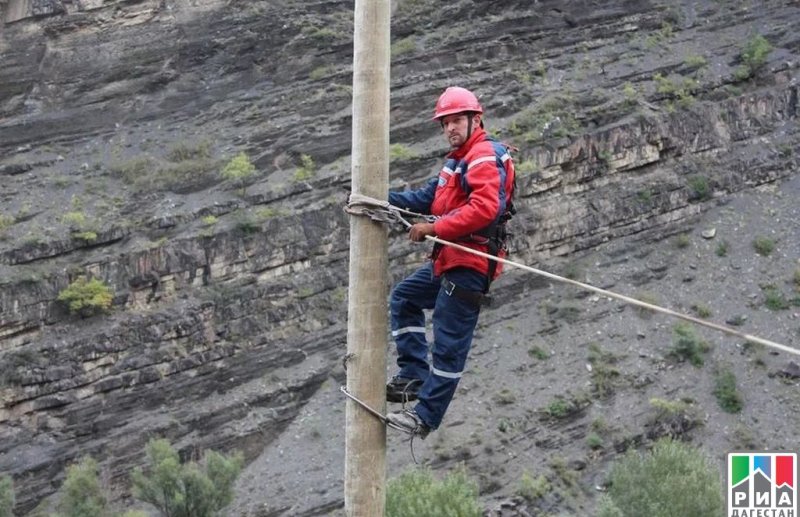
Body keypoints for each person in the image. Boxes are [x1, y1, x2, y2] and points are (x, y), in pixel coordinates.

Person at [384, 86, 516, 438]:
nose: (450, 128)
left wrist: (434, 227)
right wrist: (382, 199)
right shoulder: (457, 161)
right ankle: (413, 373)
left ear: (476, 119)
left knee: (447, 343)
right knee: (405, 298)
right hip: (449, 259)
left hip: (471, 264)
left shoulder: (484, 155)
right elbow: (427, 198)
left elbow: (486, 208)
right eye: (445, 123)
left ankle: (425, 418)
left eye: (457, 121)